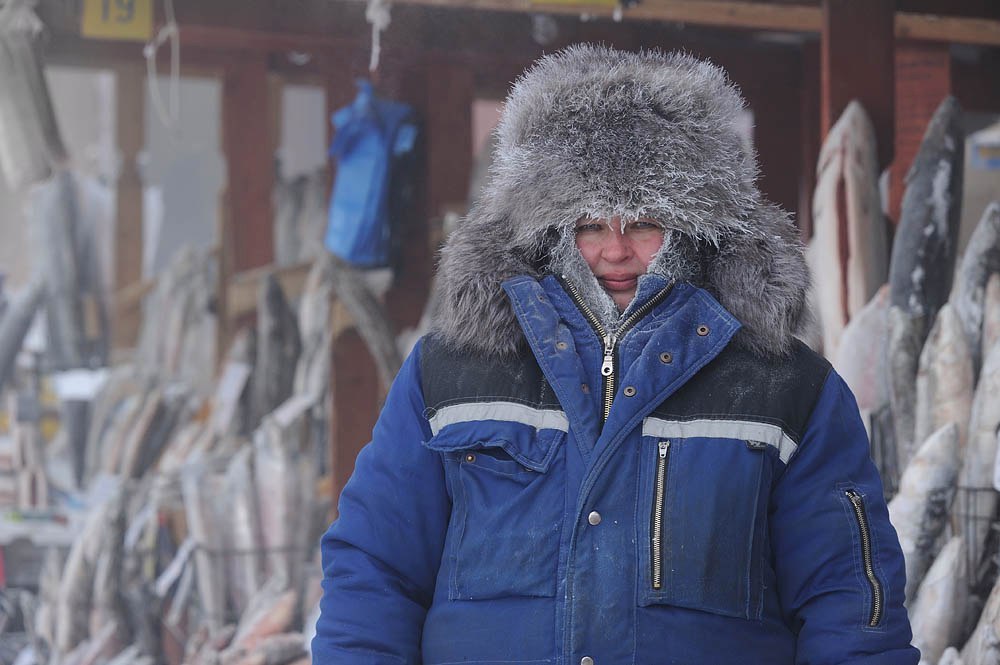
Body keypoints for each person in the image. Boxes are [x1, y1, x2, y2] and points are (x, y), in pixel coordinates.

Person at [312, 45, 918, 665]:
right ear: (549, 229)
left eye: (645, 223)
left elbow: (850, 601)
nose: (616, 251)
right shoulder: (450, 371)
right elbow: (375, 570)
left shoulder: (788, 388)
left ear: (695, 228)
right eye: (590, 225)